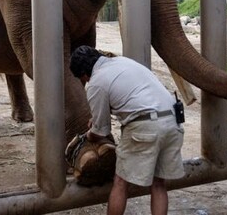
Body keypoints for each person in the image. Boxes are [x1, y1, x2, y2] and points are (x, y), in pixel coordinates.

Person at [69, 45, 184, 215]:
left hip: (146, 127)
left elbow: (100, 132)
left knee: (120, 182)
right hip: (173, 122)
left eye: (83, 79)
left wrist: (88, 135)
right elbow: (130, 97)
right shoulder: (121, 61)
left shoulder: (96, 83)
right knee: (158, 183)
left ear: (84, 74)